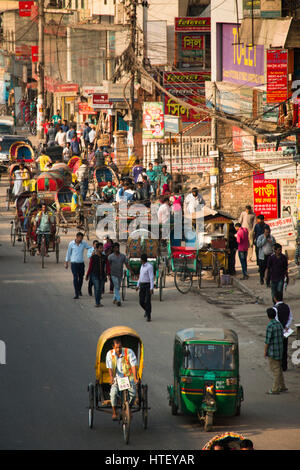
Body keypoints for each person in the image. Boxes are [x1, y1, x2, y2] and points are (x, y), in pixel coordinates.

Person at [106, 338, 139, 420]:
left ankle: (129, 409)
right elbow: (110, 368)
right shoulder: (110, 354)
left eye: (120, 347)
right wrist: (111, 378)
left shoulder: (129, 352)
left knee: (133, 394)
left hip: (128, 377)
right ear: (113, 347)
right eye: (116, 347)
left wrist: (135, 378)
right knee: (113, 393)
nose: (118, 349)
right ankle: (114, 412)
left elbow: (133, 366)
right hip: (117, 378)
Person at [264, 307, 287, 394]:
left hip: (273, 352)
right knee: (279, 368)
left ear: (268, 316)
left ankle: (275, 389)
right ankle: (283, 386)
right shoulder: (279, 324)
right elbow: (282, 336)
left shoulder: (270, 326)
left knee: (276, 370)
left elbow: (267, 341)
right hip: (280, 350)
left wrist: (265, 351)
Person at [65, 232, 92, 299]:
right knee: (75, 277)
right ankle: (76, 293)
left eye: (82, 238)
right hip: (74, 263)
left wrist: (94, 249)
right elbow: (68, 253)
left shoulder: (84, 243)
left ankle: (79, 289)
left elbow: (89, 248)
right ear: (76, 237)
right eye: (80, 238)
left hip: (81, 263)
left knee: (81, 278)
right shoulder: (71, 244)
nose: (81, 239)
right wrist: (66, 262)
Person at [273, 291, 293, 372]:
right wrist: (286, 326)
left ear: (275, 298)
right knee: (284, 348)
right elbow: (290, 317)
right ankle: (284, 366)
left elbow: (276, 319)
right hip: (286, 331)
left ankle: (278, 366)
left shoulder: (275, 308)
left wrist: (281, 328)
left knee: (278, 349)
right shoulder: (287, 306)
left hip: (278, 331)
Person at [85, 242, 107, 307]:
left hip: (102, 275)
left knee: (100, 289)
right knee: (97, 288)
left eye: (102, 248)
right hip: (94, 275)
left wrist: (108, 273)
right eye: (100, 248)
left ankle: (98, 301)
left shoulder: (104, 257)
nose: (102, 249)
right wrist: (87, 275)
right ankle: (97, 302)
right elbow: (90, 267)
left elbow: (107, 266)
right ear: (96, 249)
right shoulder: (93, 257)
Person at [108, 242, 129, 306]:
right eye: (115, 248)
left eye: (118, 248)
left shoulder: (123, 256)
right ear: (113, 249)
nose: (117, 249)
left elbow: (126, 264)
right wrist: (108, 274)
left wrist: (130, 270)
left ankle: (114, 298)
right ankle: (118, 300)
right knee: (116, 286)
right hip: (113, 274)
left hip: (120, 274)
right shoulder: (110, 257)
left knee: (118, 287)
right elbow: (108, 266)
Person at [136, 253, 154, 322]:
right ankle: (147, 310)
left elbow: (151, 277)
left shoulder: (149, 266)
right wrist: (138, 285)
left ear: (142, 260)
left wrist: (151, 288)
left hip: (148, 285)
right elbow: (140, 277)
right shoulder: (142, 266)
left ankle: (148, 315)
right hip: (142, 285)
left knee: (148, 301)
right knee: (141, 301)